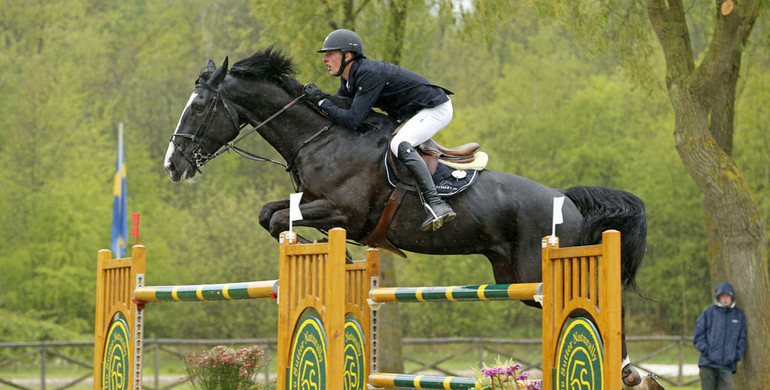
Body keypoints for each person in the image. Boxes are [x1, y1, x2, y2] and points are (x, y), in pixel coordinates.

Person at [304, 29, 456, 231]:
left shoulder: (368, 73)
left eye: (330, 53)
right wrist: (313, 103)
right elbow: (341, 108)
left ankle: (436, 204)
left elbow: (353, 119)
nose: (324, 59)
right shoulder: (350, 78)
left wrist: (321, 100)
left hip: (435, 109)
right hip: (412, 114)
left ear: (347, 55)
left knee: (399, 144)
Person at [693, 282, 747, 390]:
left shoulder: (739, 315)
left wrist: (735, 355)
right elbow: (698, 336)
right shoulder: (708, 313)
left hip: (727, 366)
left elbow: (742, 339)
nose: (725, 299)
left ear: (732, 297)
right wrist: (708, 351)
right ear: (718, 298)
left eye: (728, 296)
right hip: (708, 365)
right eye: (722, 296)